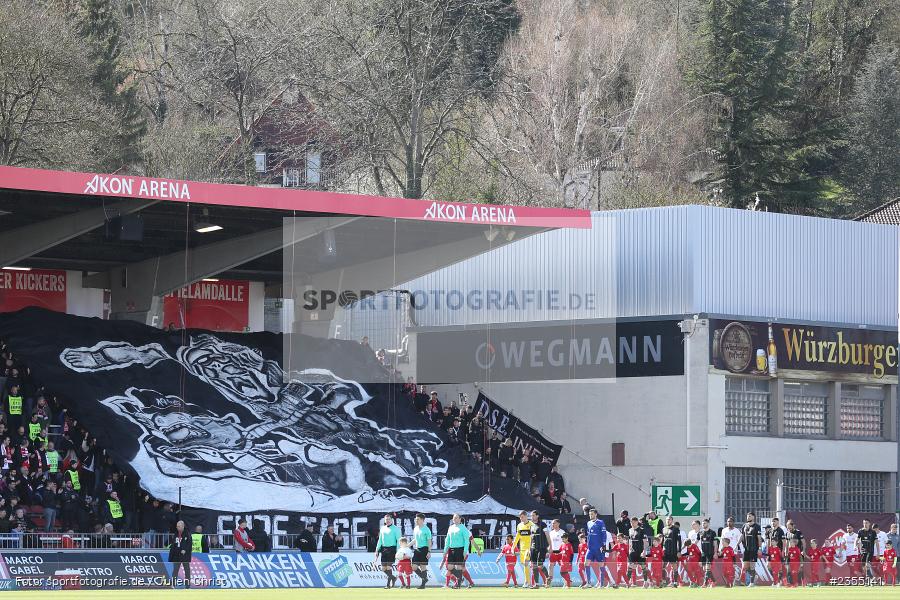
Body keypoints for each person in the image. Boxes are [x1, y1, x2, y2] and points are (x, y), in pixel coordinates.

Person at [443, 514, 470, 589]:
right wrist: (445, 550)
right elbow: (447, 539)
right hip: (451, 549)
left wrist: (465, 551)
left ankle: (458, 584)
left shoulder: (463, 528)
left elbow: (466, 540)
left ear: (460, 519)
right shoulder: (450, 527)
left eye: (456, 518)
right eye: (453, 518)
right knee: (449, 567)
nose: (454, 519)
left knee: (459, 567)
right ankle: (460, 578)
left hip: (460, 549)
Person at [584, 508, 608, 588]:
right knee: (586, 563)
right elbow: (588, 534)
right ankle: (588, 583)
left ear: (596, 514)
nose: (590, 516)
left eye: (592, 514)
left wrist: (603, 545)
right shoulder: (588, 523)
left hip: (599, 548)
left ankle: (601, 585)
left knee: (601, 565)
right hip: (590, 548)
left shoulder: (600, 522)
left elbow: (604, 534)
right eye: (590, 514)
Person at [375, 514, 401, 589]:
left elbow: (399, 541)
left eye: (389, 519)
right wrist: (377, 550)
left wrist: (398, 551)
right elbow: (380, 540)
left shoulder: (396, 529)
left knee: (389, 567)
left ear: (392, 520)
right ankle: (393, 578)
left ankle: (388, 585)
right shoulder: (382, 528)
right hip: (384, 549)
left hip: (392, 549)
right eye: (386, 519)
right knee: (383, 569)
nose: (387, 521)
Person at [529, 510, 551, 588]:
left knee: (540, 565)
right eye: (531, 516)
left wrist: (550, 546)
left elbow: (547, 536)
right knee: (534, 565)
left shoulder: (543, 524)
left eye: (533, 515)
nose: (532, 517)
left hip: (542, 547)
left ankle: (548, 577)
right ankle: (537, 584)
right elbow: (531, 538)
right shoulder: (531, 525)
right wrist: (529, 548)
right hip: (533, 548)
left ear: (537, 516)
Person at [739, 511, 762, 586]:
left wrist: (760, 548)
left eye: (749, 516)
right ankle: (754, 575)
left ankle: (751, 583)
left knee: (752, 565)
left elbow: (759, 538)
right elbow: (742, 536)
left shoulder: (757, 526)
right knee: (745, 566)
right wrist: (737, 544)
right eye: (747, 516)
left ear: (753, 517)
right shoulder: (744, 526)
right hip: (746, 549)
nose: (747, 517)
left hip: (754, 549)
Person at [168, 520, 192, 588]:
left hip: (185, 555)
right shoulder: (176, 534)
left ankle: (187, 585)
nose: (177, 527)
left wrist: (185, 550)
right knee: (175, 570)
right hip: (177, 555)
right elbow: (173, 545)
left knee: (187, 570)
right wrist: (171, 555)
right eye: (177, 526)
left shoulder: (187, 533)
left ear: (183, 526)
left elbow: (189, 544)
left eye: (179, 526)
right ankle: (173, 584)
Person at [513, 510, 532, 588]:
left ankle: (528, 582)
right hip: (522, 549)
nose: (521, 518)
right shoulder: (519, 525)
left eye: (522, 517)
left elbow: (534, 537)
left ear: (526, 516)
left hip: (530, 548)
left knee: (526, 563)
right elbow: (517, 537)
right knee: (525, 565)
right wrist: (513, 547)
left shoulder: (532, 525)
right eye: (520, 517)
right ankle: (528, 582)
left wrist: (532, 547)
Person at [412, 513, 432, 589]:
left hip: (424, 549)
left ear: (422, 520)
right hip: (417, 549)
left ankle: (423, 585)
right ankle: (425, 578)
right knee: (414, 567)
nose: (416, 520)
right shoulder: (415, 528)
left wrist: (429, 551)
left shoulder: (426, 529)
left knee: (423, 567)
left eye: (418, 519)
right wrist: (407, 545)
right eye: (416, 519)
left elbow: (429, 541)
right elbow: (415, 540)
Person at [625, 516, 646, 587]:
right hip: (632, 552)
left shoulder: (642, 530)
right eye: (631, 522)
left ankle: (645, 582)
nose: (632, 524)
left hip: (640, 551)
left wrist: (644, 551)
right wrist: (629, 549)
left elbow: (645, 542)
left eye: (634, 522)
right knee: (630, 567)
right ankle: (627, 583)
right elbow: (630, 540)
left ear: (637, 522)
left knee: (643, 567)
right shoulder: (630, 530)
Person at [662, 516, 680, 586]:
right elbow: (663, 540)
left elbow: (679, 541)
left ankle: (675, 582)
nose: (668, 521)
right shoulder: (664, 529)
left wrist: (679, 551)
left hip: (673, 551)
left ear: (672, 520)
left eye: (669, 519)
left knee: (674, 567)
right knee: (663, 567)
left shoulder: (675, 529)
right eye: (667, 519)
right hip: (666, 551)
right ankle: (663, 582)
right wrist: (662, 548)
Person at [699, 518, 718, 588]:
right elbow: (697, 542)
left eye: (704, 523)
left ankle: (705, 584)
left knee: (707, 568)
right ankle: (714, 581)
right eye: (702, 523)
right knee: (705, 569)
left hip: (710, 553)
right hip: (703, 553)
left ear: (708, 524)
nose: (703, 525)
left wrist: (715, 552)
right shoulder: (700, 532)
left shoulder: (713, 532)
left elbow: (715, 544)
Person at [547, 519, 564, 586]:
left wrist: (563, 551)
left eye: (554, 523)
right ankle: (549, 582)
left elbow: (564, 543)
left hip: (560, 553)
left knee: (562, 567)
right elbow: (550, 543)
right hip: (553, 552)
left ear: (558, 524)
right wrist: (549, 549)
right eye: (552, 523)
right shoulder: (551, 533)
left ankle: (566, 582)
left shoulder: (562, 532)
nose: (552, 524)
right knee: (550, 566)